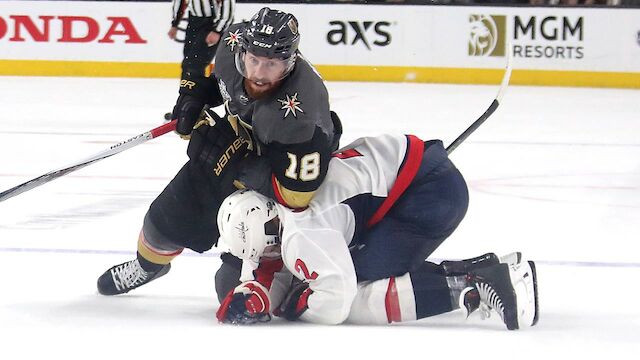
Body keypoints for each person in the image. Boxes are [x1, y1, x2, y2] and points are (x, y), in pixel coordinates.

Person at [96, 8, 342, 298]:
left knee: (231, 290)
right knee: (164, 222)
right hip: (237, 145)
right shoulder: (232, 42)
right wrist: (195, 97)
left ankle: (288, 272)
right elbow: (226, 85)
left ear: (290, 62)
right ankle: (148, 266)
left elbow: (297, 195)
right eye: (253, 61)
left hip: (280, 179)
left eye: (272, 65)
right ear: (243, 52)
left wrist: (237, 164)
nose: (259, 75)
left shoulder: (300, 115)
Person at [215, 134, 539, 329]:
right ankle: (486, 268)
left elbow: (335, 303)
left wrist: (295, 306)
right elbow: (273, 265)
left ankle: (475, 285)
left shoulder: (300, 232)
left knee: (359, 291)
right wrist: (256, 290)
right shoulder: (281, 194)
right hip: (425, 176)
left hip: (430, 195)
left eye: (269, 248)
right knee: (349, 264)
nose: (270, 256)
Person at [168, 0, 235, 85]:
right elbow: (179, 2)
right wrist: (175, 24)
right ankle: (186, 94)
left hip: (211, 24)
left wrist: (217, 30)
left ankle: (194, 95)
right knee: (187, 64)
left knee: (195, 65)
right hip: (193, 22)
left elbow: (228, 4)